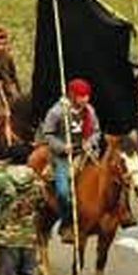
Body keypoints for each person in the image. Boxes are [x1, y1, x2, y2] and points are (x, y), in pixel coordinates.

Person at [39, 78, 102, 244]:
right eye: (82, 96)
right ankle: (66, 222)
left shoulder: (90, 111)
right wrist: (62, 147)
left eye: (87, 96)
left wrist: (90, 142)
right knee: (63, 192)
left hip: (85, 153)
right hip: (63, 156)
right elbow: (48, 134)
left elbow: (97, 131)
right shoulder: (57, 112)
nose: (85, 99)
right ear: (73, 95)